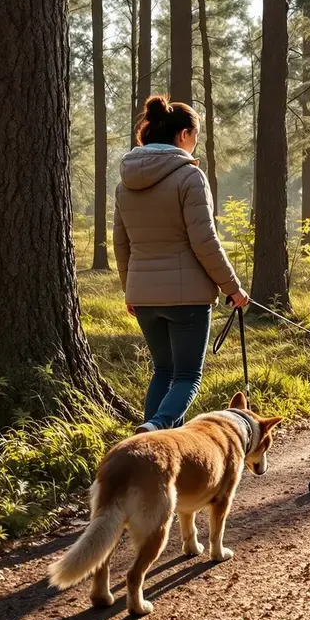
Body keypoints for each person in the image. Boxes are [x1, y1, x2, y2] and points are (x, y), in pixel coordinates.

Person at [113, 95, 249, 433]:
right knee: (187, 375)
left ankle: (153, 447)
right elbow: (204, 241)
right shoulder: (190, 177)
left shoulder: (125, 182)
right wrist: (233, 288)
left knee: (164, 372)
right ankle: (155, 428)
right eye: (196, 135)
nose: (195, 143)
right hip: (187, 297)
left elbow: (121, 243)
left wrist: (131, 289)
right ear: (185, 134)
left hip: (144, 297)